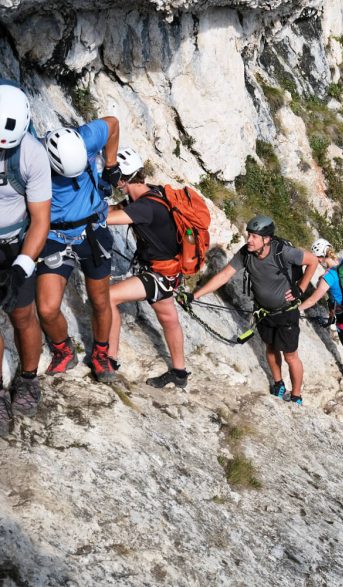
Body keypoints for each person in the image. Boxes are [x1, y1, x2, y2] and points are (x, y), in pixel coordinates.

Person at [180, 216, 319, 404]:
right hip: (262, 311)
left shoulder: (283, 253)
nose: (249, 240)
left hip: (286, 312)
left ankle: (296, 396)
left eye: (254, 236)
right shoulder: (246, 253)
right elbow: (224, 275)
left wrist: (300, 288)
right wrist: (194, 296)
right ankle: (278, 384)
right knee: (270, 348)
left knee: (290, 355)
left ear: (266, 239)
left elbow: (313, 261)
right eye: (249, 235)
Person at [37, 117, 121, 383]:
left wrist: (111, 164)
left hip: (91, 231)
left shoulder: (86, 138)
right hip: (54, 235)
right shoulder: (34, 157)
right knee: (47, 308)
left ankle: (100, 354)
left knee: (100, 300)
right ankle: (64, 349)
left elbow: (113, 124)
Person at [106, 148, 189, 388]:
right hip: (169, 272)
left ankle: (109, 359)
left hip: (158, 274)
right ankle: (180, 373)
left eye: (115, 177)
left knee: (109, 297)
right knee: (169, 319)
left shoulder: (144, 207)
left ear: (122, 179)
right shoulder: (151, 193)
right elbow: (116, 209)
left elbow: (107, 219)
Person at [0, 83, 51, 435]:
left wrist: (21, 267)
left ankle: (29, 379)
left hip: (17, 244)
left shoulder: (32, 155)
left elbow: (41, 220)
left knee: (22, 315)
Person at [298, 238, 343, 395]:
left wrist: (297, 309)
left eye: (317, 259)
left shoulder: (329, 276)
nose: (317, 262)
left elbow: (313, 299)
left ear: (321, 257)